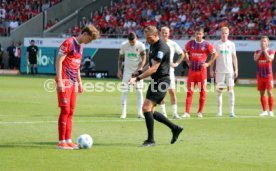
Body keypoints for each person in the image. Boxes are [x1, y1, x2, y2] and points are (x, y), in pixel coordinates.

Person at [129, 26, 183, 147]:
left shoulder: (162, 47)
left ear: (155, 35)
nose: (147, 40)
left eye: (149, 38)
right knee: (150, 111)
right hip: (156, 81)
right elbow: (151, 63)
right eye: (146, 38)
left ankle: (151, 140)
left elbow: (154, 68)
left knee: (146, 108)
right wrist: (140, 71)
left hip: (162, 81)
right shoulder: (152, 44)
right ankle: (175, 128)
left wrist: (137, 79)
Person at [56, 25, 100, 149]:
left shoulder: (81, 47)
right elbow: (59, 61)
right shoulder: (69, 43)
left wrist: (80, 82)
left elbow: (77, 66)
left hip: (73, 82)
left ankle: (68, 140)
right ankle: (61, 142)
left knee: (71, 112)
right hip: (64, 80)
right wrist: (60, 81)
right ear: (84, 34)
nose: (89, 42)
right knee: (65, 111)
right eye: (89, 39)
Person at [182, 27, 217, 118]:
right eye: (197, 34)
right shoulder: (190, 43)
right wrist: (188, 61)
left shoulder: (206, 44)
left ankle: (200, 112)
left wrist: (208, 63)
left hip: (202, 72)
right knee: (189, 92)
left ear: (203, 34)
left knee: (202, 91)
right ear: (195, 34)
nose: (198, 35)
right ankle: (187, 112)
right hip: (192, 72)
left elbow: (215, 54)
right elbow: (184, 52)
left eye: (200, 34)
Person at [210, 27, 238, 117]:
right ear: (220, 34)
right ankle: (219, 111)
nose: (224, 35)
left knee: (230, 91)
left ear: (228, 33)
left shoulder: (232, 44)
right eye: (222, 33)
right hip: (219, 71)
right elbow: (213, 57)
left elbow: (234, 57)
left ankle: (231, 112)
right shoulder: (216, 44)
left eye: (226, 33)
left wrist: (236, 69)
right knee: (219, 91)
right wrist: (211, 69)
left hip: (229, 71)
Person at [117, 32, 146, 119]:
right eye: (130, 42)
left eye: (133, 42)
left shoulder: (141, 45)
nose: (132, 43)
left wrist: (140, 69)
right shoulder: (124, 45)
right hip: (127, 72)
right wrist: (119, 70)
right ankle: (123, 113)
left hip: (137, 72)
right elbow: (120, 58)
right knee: (125, 91)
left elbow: (144, 58)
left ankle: (140, 113)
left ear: (136, 38)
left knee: (139, 91)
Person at [159, 26, 185, 119]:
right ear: (160, 33)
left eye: (166, 32)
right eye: (163, 32)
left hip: (170, 71)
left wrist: (176, 63)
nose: (164, 34)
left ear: (169, 33)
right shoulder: (157, 44)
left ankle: (175, 113)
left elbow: (182, 54)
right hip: (160, 71)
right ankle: (163, 113)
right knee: (161, 93)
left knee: (172, 92)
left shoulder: (173, 44)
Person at [254, 36, 275, 117]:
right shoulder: (257, 51)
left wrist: (265, 51)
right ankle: (264, 111)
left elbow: (269, 59)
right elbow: (255, 59)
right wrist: (261, 51)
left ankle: (271, 111)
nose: (263, 43)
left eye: (265, 41)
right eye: (262, 41)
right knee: (262, 93)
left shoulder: (271, 51)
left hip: (268, 75)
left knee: (270, 92)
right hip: (260, 75)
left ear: (267, 42)